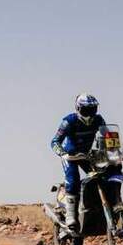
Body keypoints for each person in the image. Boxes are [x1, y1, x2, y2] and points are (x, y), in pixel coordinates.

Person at [50, 93, 104, 228]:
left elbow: (106, 137)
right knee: (73, 179)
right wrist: (63, 153)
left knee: (101, 176)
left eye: (92, 109)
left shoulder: (99, 120)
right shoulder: (69, 121)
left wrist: (114, 150)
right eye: (86, 109)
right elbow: (54, 141)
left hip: (86, 155)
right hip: (71, 156)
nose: (90, 113)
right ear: (78, 108)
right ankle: (71, 216)